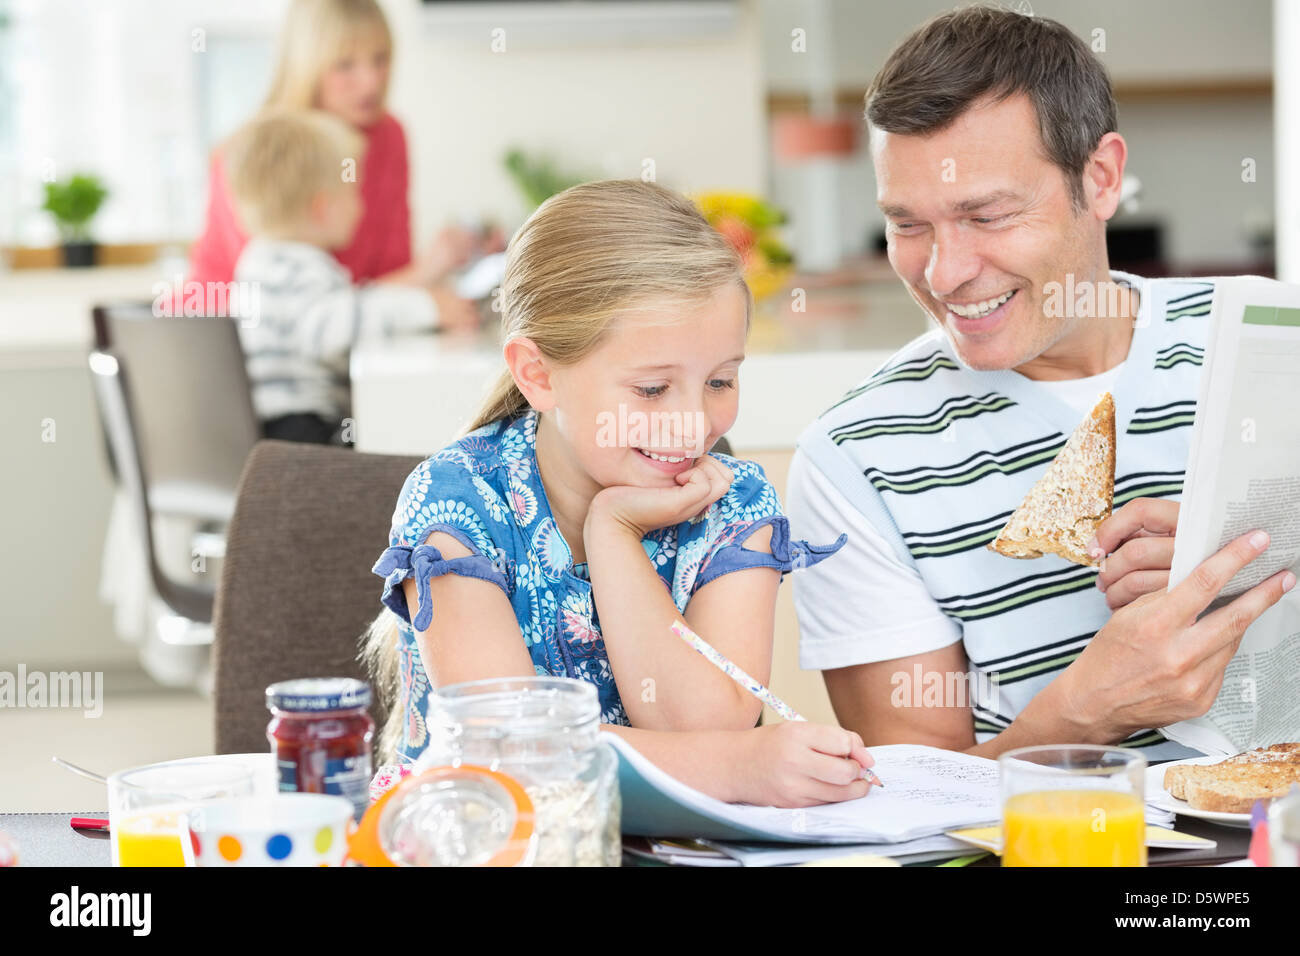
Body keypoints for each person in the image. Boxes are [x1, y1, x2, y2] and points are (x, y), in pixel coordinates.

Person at [788, 6, 1295, 761]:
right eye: (908, 225)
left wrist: (1268, 551)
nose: (945, 272)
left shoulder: (1269, 336)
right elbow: (918, 816)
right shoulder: (856, 456)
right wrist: (1086, 710)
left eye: (985, 214)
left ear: (1101, 178)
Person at [363, 179, 877, 809]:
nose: (693, 423)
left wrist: (615, 537)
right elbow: (510, 755)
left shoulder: (735, 502)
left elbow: (704, 732)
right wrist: (736, 769)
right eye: (653, 390)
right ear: (538, 374)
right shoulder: (455, 504)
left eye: (720, 380)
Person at [187, 0, 487, 323]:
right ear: (306, 65)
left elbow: (386, 280)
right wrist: (426, 277)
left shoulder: (388, 138)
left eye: (380, 59)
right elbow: (295, 308)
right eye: (345, 65)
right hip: (225, 339)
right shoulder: (261, 154)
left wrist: (439, 267)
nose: (371, 81)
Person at [224, 110, 473, 443]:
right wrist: (427, 308)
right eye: (354, 193)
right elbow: (331, 327)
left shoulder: (258, 260)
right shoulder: (302, 267)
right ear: (321, 208)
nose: (361, 207)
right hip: (302, 435)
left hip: (274, 434)